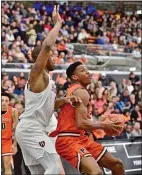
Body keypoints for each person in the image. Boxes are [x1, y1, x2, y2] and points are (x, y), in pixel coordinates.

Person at [15, 5, 81, 175]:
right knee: (54, 167)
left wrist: (63, 101)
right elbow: (46, 46)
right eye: (51, 55)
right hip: (32, 129)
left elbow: (48, 106)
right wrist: (58, 24)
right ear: (42, 58)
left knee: (39, 172)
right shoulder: (37, 73)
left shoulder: (47, 79)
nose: (54, 58)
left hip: (31, 129)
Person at [51, 61, 125, 175]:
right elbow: (81, 124)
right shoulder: (80, 92)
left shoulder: (78, 90)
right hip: (68, 139)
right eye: (82, 70)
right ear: (75, 77)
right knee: (96, 172)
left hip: (81, 138)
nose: (87, 72)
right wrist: (104, 125)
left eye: (87, 69)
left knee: (117, 164)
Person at [2, 92, 18, 175]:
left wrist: (14, 144)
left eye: (6, 101)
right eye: (2, 100)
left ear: (9, 102)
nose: (4, 102)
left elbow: (16, 130)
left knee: (7, 167)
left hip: (7, 141)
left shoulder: (13, 111)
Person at [13, 102, 31, 175]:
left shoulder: (27, 119)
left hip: (26, 144)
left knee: (28, 165)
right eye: (17, 109)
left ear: (23, 109)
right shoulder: (10, 120)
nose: (19, 111)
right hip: (15, 145)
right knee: (17, 165)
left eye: (20, 109)